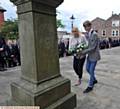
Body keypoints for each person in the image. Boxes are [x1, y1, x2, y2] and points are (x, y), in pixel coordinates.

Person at [81, 20, 101, 93]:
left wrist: (83, 52)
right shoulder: (89, 33)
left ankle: (90, 86)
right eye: (84, 27)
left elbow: (93, 47)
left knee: (91, 70)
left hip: (94, 56)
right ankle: (94, 79)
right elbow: (88, 45)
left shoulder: (94, 34)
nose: (85, 28)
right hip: (89, 55)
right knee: (87, 69)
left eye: (86, 27)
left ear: (90, 26)